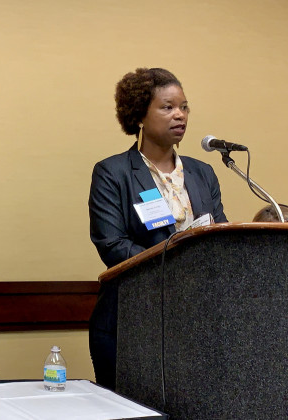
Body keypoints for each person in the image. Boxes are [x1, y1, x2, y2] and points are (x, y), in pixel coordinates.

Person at [88, 68, 227, 390]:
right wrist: (178, 265)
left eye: (184, 106)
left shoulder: (202, 172)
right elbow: (112, 245)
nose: (180, 115)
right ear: (139, 115)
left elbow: (218, 236)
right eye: (167, 107)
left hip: (193, 319)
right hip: (133, 319)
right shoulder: (113, 172)